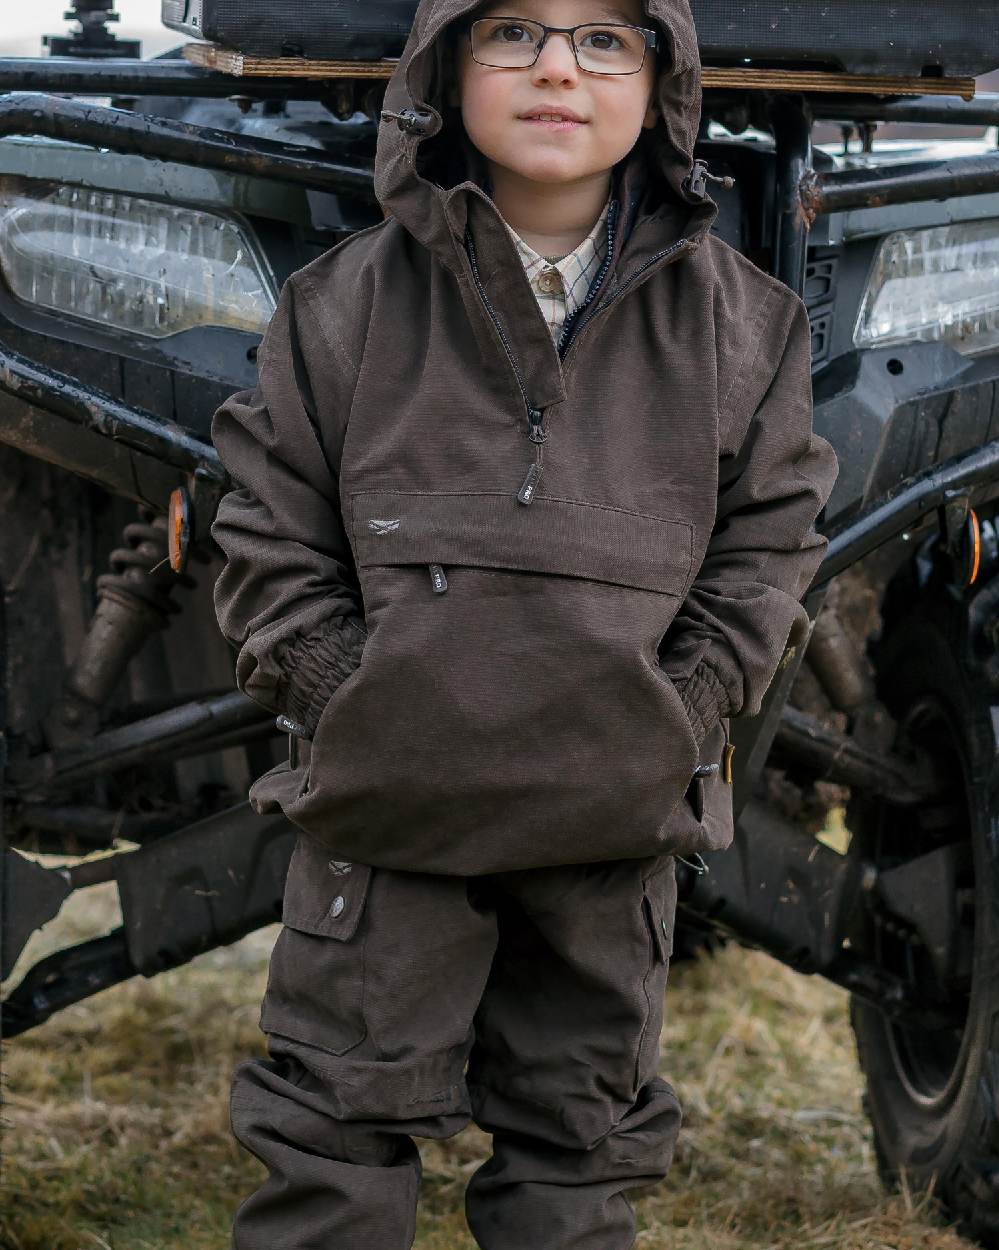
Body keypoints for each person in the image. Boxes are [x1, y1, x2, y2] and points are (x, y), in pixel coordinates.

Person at [210, 0, 839, 1245]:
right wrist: (358, 696)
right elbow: (266, 534)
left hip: (609, 823)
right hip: (388, 817)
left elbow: (771, 547)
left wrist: (680, 711)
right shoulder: (341, 307)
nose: (557, 67)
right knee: (331, 1135)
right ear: (444, 70)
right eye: (512, 34)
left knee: (577, 1149)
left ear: (660, 81)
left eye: (603, 39)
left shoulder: (745, 324)